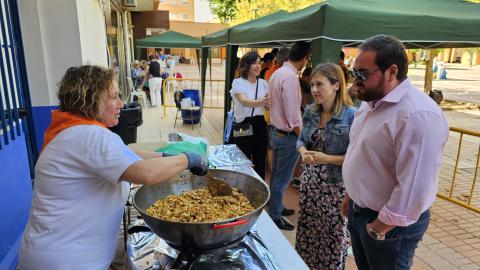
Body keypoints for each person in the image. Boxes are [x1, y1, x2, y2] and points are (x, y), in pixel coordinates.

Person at [19, 65, 208, 269]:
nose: (121, 103)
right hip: (65, 261)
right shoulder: (90, 136)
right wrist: (187, 159)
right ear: (91, 99)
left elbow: (125, 153)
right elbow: (146, 173)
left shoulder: (72, 131)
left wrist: (164, 156)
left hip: (51, 252)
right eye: (114, 97)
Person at [341, 35, 449, 270]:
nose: (355, 81)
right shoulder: (371, 101)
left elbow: (413, 189)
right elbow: (363, 154)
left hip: (390, 226)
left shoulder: (418, 115)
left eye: (363, 74)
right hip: (364, 215)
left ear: (391, 72)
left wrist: (379, 227)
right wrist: (353, 193)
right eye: (354, 72)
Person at [295, 63, 355, 269]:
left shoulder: (352, 116)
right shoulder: (311, 111)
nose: (313, 90)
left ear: (337, 85)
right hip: (310, 185)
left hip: (335, 189)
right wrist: (303, 152)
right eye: (312, 84)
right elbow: (300, 141)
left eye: (319, 84)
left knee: (333, 239)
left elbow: (356, 157)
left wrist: (326, 158)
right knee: (308, 234)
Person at [268, 41, 311, 230]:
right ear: (304, 59)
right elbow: (293, 116)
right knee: (281, 178)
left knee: (277, 176)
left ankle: (275, 206)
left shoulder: (277, 73)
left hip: (276, 132)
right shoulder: (291, 77)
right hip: (287, 135)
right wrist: (303, 138)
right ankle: (275, 215)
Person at [230, 51, 270, 180]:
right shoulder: (238, 83)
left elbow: (267, 105)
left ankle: (260, 189)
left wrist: (269, 104)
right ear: (246, 65)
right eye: (254, 63)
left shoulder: (264, 83)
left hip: (260, 123)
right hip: (243, 125)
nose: (258, 66)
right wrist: (262, 102)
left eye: (259, 62)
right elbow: (244, 101)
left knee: (260, 159)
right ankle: (241, 190)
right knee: (242, 159)